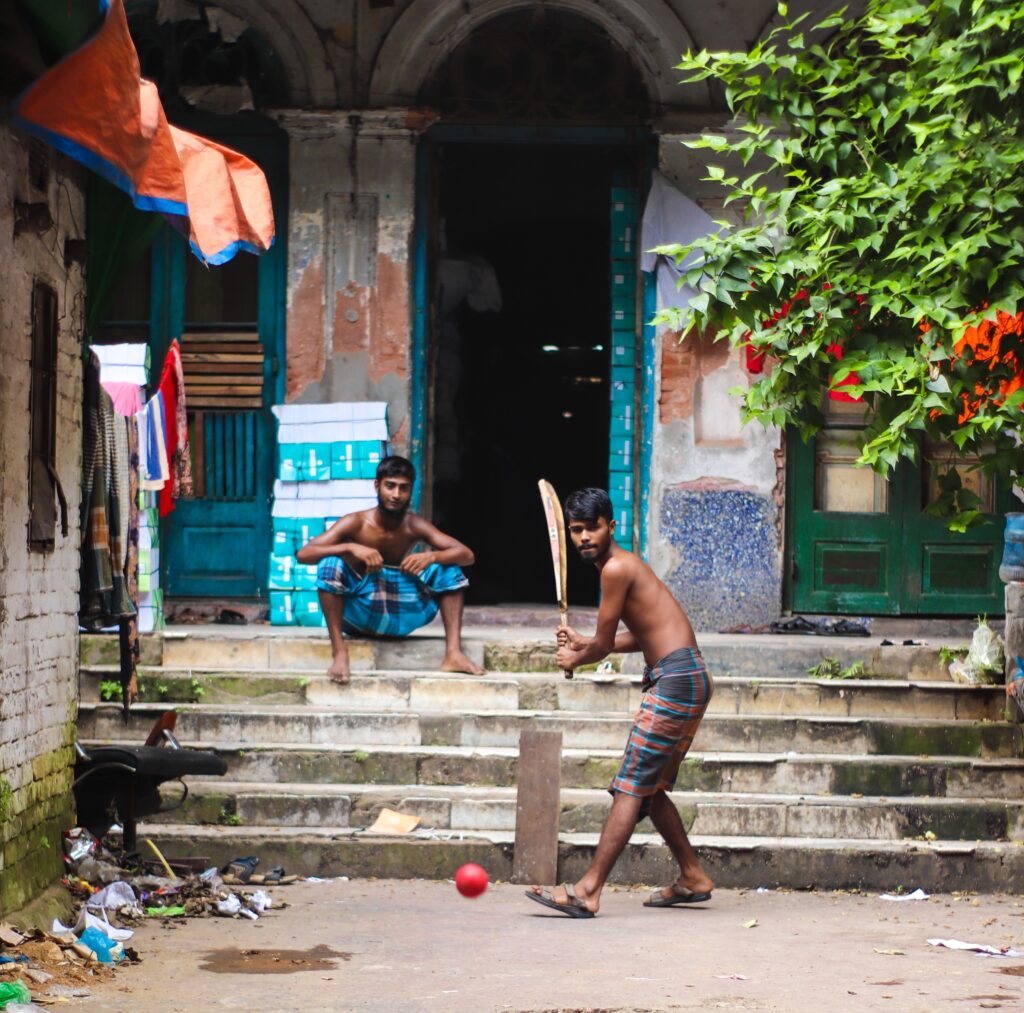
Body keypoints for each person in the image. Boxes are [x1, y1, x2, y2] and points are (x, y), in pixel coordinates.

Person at [525, 487, 714, 918]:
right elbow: (644, 633)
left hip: (677, 681)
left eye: (592, 527)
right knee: (650, 790)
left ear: (611, 526)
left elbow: (605, 644)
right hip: (686, 675)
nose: (583, 537)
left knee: (630, 784)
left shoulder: (615, 568)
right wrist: (589, 643)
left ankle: (588, 889)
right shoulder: (620, 567)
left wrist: (579, 653)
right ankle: (693, 876)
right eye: (576, 530)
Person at [295, 455, 485, 684]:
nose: (396, 495)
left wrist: (431, 556)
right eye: (390, 486)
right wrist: (350, 547)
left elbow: (467, 555)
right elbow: (304, 554)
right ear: (377, 485)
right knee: (331, 563)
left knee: (447, 566)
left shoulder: (414, 524)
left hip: (400, 612)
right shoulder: (355, 522)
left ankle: (453, 653)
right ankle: (339, 653)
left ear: (411, 490)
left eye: (403, 488)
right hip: (360, 614)